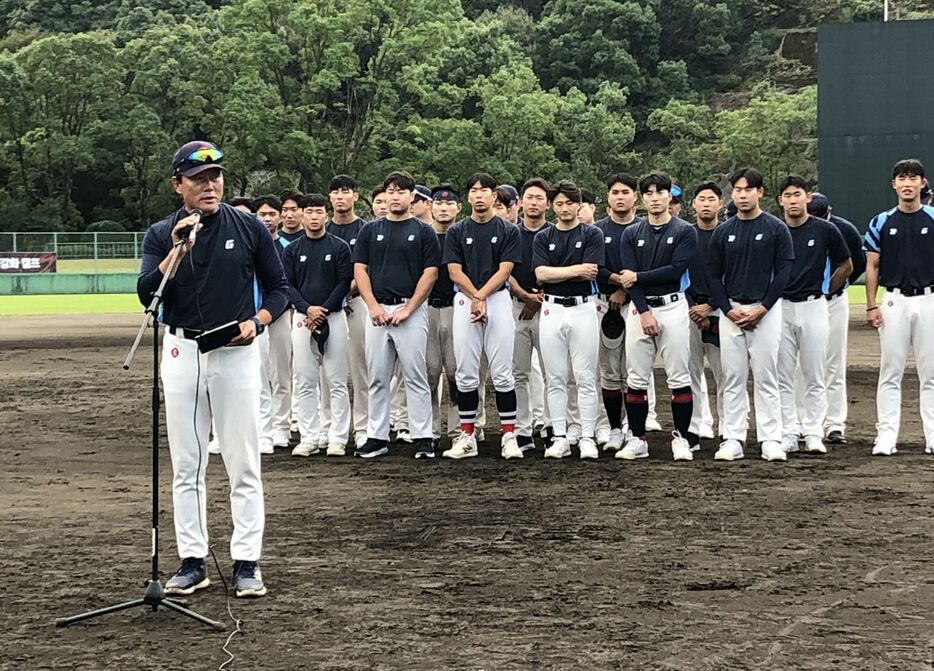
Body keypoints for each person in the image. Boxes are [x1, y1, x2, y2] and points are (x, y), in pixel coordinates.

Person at [137, 140, 289, 598]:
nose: (210, 185)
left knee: (243, 461)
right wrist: (177, 250)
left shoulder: (248, 228)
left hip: (236, 352)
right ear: (177, 184)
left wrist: (257, 322)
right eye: (199, 178)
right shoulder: (162, 233)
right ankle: (192, 560)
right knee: (187, 463)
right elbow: (147, 294)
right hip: (182, 351)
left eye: (216, 176)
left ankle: (246, 562)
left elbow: (279, 289)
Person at [708, 167, 794, 462]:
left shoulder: (775, 228)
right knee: (732, 376)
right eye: (737, 190)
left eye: (748, 189)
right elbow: (713, 277)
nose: (742, 195)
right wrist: (729, 310)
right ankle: (733, 437)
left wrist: (763, 308)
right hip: (732, 310)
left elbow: (783, 273)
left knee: (766, 375)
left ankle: (771, 438)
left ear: (760, 192)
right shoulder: (723, 232)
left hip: (765, 310)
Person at [352, 170, 440, 458]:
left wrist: (409, 308)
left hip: (410, 311)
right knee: (377, 376)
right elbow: (360, 270)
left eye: (401, 191)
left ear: (412, 196)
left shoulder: (424, 232)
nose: (395, 197)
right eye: (390, 191)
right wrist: (373, 306)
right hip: (377, 310)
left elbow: (430, 273)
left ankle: (423, 436)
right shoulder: (370, 230)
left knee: (416, 375)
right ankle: (377, 436)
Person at [616, 172, 698, 461]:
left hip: (673, 305)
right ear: (642, 198)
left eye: (659, 192)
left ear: (669, 197)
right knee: (636, 377)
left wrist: (639, 275)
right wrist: (644, 310)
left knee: (678, 375)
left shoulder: (685, 230)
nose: (654, 198)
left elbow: (676, 270)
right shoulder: (631, 233)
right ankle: (638, 439)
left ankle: (681, 437)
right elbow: (628, 280)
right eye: (648, 193)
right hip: (641, 308)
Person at [442, 173, 523, 460]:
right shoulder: (456, 231)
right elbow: (454, 270)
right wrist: (475, 297)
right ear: (468, 197)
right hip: (465, 299)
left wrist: (482, 296)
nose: (478, 195)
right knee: (465, 373)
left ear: (493, 195)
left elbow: (505, 270)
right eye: (473, 190)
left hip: (497, 299)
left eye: (484, 190)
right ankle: (467, 435)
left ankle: (509, 435)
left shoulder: (508, 230)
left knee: (502, 372)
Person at [776, 176, 852, 456]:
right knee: (783, 373)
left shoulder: (825, 230)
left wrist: (825, 289)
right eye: (788, 195)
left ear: (807, 197)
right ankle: (789, 430)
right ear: (780, 200)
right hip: (781, 306)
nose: (793, 200)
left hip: (814, 305)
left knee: (814, 371)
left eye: (798, 194)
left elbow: (846, 264)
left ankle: (813, 431)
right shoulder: (775, 230)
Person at [864, 158, 934, 456]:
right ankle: (886, 436)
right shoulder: (881, 221)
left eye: (913, 178)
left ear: (922, 183)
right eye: (902, 178)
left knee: (930, 373)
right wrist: (870, 306)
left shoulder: (932, 217)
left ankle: (932, 436)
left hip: (929, 298)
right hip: (894, 300)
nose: (907, 183)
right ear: (894, 184)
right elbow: (872, 265)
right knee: (890, 370)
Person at [533, 180, 604, 459]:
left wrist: (557, 272)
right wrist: (573, 270)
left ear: (579, 205)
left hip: (583, 308)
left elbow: (591, 271)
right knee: (555, 377)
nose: (564, 208)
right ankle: (560, 435)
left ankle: (587, 436)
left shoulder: (592, 234)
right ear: (553, 206)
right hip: (551, 308)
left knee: (585, 376)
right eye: (559, 203)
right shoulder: (543, 237)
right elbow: (540, 275)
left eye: (570, 203)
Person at [282, 193, 353, 457]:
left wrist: (323, 310)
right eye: (309, 212)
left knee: (335, 379)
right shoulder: (292, 250)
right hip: (303, 319)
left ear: (326, 215)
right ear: (302, 215)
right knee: (305, 380)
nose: (314, 217)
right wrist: (306, 309)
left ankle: (337, 437)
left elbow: (344, 281)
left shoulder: (339, 247)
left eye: (318, 212)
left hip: (333, 316)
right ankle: (309, 437)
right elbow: (287, 285)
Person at [806, 192, 865, 444]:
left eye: (821, 214)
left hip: (834, 300)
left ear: (828, 211)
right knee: (802, 364)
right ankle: (803, 422)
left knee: (834, 361)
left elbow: (857, 264)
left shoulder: (844, 230)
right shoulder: (793, 227)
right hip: (804, 300)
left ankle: (834, 423)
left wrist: (832, 287)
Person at [326, 175, 370, 451]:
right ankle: (330, 428)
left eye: (346, 192)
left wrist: (347, 293)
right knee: (329, 372)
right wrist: (331, 300)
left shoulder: (366, 229)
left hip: (357, 303)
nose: (340, 197)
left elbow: (369, 268)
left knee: (361, 367)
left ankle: (364, 428)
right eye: (335, 192)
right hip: (327, 309)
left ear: (356, 195)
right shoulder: (323, 228)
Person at [510, 178, 552, 452]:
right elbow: (504, 269)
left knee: (553, 372)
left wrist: (536, 300)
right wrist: (525, 296)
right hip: (515, 305)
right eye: (530, 197)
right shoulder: (510, 233)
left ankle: (550, 425)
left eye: (540, 198)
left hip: (549, 306)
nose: (534, 202)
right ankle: (522, 429)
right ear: (521, 202)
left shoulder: (555, 233)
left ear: (547, 203)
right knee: (518, 372)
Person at [685, 182, 725, 448]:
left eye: (711, 199)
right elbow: (678, 272)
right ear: (694, 204)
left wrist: (710, 305)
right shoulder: (685, 235)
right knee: (690, 373)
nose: (706, 203)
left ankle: (729, 428)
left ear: (720, 203)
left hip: (721, 310)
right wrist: (693, 307)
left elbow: (731, 275)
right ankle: (694, 428)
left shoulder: (727, 233)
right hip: (688, 310)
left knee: (726, 373)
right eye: (701, 199)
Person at [426, 185, 461, 450]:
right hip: (427, 309)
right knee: (429, 372)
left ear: (458, 208)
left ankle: (461, 428)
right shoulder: (424, 236)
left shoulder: (462, 236)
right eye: (439, 204)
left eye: (449, 204)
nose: (444, 208)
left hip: (457, 307)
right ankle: (432, 429)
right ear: (431, 207)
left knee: (457, 372)